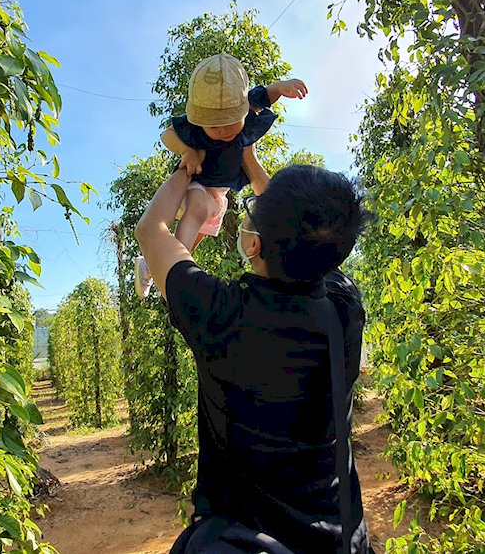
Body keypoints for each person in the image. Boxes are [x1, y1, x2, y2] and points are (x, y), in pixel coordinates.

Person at [134, 153, 375, 553]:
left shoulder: (222, 314)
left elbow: (150, 231)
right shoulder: (344, 306)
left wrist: (186, 170)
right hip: (336, 537)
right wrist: (247, 157)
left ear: (254, 244)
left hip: (247, 537)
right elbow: (311, 230)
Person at [135, 52, 308, 297]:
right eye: (215, 126)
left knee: (203, 230)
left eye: (231, 121)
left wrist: (282, 87)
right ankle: (173, 270)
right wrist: (187, 151)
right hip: (198, 180)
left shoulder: (248, 108)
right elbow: (168, 135)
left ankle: (151, 264)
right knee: (197, 210)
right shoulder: (195, 127)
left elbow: (266, 94)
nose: (225, 130)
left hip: (219, 194)